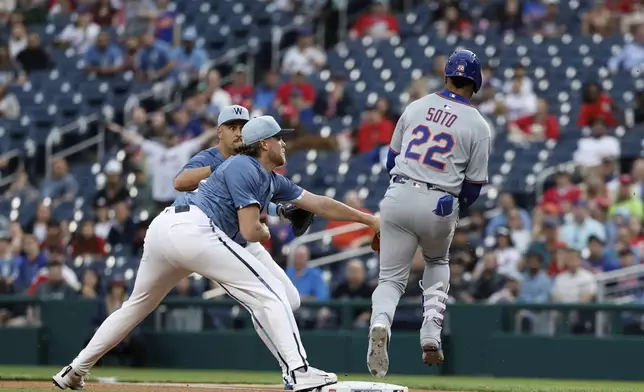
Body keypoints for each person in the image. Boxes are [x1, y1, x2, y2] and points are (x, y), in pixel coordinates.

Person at [52, 115, 380, 392]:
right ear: (264, 143)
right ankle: (299, 371)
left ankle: (74, 371)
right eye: (280, 138)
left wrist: (367, 219)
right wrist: (266, 231)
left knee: (135, 308)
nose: (284, 144)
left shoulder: (269, 179)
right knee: (271, 293)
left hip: (167, 231)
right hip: (193, 230)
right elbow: (251, 231)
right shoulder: (244, 166)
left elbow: (320, 203)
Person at [172, 105, 316, 389]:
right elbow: (180, 182)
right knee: (264, 300)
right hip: (214, 239)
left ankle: (292, 367)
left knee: (291, 300)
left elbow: (255, 196)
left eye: (242, 126)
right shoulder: (212, 158)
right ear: (221, 132)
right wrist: (221, 167)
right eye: (232, 126)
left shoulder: (252, 161)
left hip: (244, 242)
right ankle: (294, 370)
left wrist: (282, 211)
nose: (238, 131)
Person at [367, 49, 491, 376]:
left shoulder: (416, 106)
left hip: (398, 193)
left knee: (390, 279)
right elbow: (474, 187)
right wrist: (450, 210)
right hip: (439, 202)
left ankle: (380, 322)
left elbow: (390, 161)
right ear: (475, 83)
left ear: (447, 76)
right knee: (437, 261)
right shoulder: (478, 124)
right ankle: (431, 336)